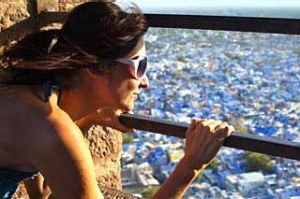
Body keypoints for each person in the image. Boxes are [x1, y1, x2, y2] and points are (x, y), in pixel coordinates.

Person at [0, 2, 234, 199]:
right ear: (98, 67)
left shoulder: (33, 93)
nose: (145, 81)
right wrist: (191, 166)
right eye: (139, 65)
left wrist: (85, 117)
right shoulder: (51, 126)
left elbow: (42, 191)